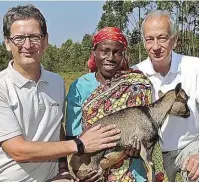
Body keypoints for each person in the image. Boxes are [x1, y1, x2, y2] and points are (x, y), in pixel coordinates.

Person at [0, 5, 121, 182]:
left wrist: (63, 169)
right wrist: (79, 144)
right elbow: (17, 150)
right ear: (7, 43)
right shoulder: (2, 86)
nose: (27, 45)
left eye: (35, 37)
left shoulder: (56, 82)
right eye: (19, 38)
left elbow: (57, 126)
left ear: (45, 40)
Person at [66, 27, 153, 182]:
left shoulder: (136, 85)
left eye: (117, 52)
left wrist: (137, 147)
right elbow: (73, 137)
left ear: (123, 54)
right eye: (105, 51)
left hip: (133, 172)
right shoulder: (80, 86)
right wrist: (86, 171)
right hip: (92, 170)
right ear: (94, 52)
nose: (111, 57)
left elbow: (147, 129)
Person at [135, 10, 199, 182]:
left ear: (174, 40)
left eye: (162, 38)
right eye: (150, 39)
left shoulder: (194, 68)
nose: (156, 47)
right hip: (146, 152)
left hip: (189, 146)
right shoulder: (134, 75)